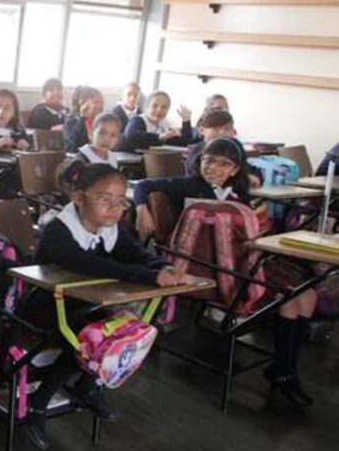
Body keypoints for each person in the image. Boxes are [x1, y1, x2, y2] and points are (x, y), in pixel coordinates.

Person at [133, 138, 317, 406]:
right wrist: (141, 209)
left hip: (240, 261)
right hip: (209, 269)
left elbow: (239, 236)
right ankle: (284, 371)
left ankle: (286, 364)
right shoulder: (189, 185)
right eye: (208, 160)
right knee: (290, 300)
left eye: (223, 164)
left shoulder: (238, 194)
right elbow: (144, 185)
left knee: (308, 294)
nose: (213, 168)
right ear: (199, 161)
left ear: (234, 170)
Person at [16, 163, 185, 450]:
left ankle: (86, 386)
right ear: (79, 198)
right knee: (90, 335)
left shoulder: (111, 229)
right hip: (41, 309)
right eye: (105, 199)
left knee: (122, 327)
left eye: (121, 201)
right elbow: (91, 265)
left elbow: (137, 254)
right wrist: (149, 275)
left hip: (81, 306)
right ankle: (39, 404)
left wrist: (164, 267)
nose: (115, 208)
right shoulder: (58, 230)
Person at [57, 112, 122, 192]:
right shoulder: (81, 160)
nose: (107, 139)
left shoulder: (113, 158)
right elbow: (70, 186)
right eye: (102, 133)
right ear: (90, 133)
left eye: (113, 135)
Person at [118, 90, 192, 151]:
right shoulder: (137, 120)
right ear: (146, 107)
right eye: (155, 106)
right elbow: (131, 136)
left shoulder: (164, 125)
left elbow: (183, 142)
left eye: (164, 107)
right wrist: (159, 137)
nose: (159, 110)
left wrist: (186, 121)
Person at [184, 109, 236, 175]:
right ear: (201, 130)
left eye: (227, 128)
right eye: (215, 128)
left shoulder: (235, 149)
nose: (221, 133)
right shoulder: (198, 151)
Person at [62, 86, 104, 152]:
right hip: (77, 159)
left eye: (102, 102)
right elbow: (74, 145)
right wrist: (83, 117)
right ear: (83, 104)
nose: (101, 105)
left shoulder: (100, 122)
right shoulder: (71, 122)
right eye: (96, 102)